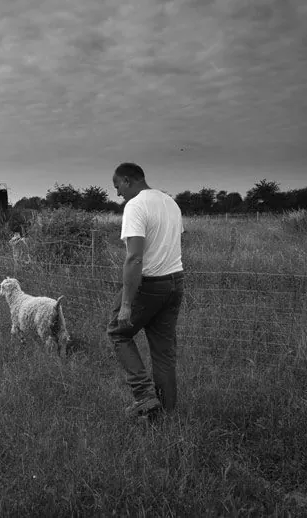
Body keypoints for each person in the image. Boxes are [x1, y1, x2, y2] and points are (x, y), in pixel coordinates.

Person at [107, 162, 185, 420]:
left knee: (118, 332)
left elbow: (135, 258)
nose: (117, 193)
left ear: (128, 181)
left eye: (117, 186)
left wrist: (127, 303)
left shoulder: (136, 205)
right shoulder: (170, 203)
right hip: (175, 281)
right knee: (163, 353)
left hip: (150, 284)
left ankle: (144, 396)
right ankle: (167, 413)